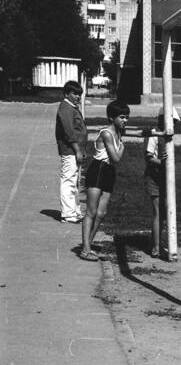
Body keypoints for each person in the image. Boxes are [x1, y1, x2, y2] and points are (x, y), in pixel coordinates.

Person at [79, 100, 130, 261]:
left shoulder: (119, 132)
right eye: (122, 117)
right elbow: (116, 157)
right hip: (98, 169)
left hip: (108, 171)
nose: (125, 120)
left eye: (127, 117)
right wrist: (122, 146)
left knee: (101, 213)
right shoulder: (107, 133)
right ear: (111, 117)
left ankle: (88, 245)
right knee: (91, 211)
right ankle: (85, 250)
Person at [142, 109, 177, 258]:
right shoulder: (154, 133)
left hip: (166, 178)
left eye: (175, 122)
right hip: (153, 177)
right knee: (158, 212)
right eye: (172, 121)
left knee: (165, 213)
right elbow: (148, 157)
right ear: (162, 119)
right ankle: (156, 247)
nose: (173, 125)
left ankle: (162, 243)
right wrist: (162, 163)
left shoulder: (169, 136)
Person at [55, 79, 88, 223]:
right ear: (67, 94)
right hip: (70, 150)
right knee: (69, 180)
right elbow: (69, 132)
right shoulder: (66, 108)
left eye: (79, 94)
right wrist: (77, 150)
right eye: (75, 94)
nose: (78, 97)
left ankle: (74, 211)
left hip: (75, 150)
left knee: (74, 181)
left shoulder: (71, 108)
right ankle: (68, 214)